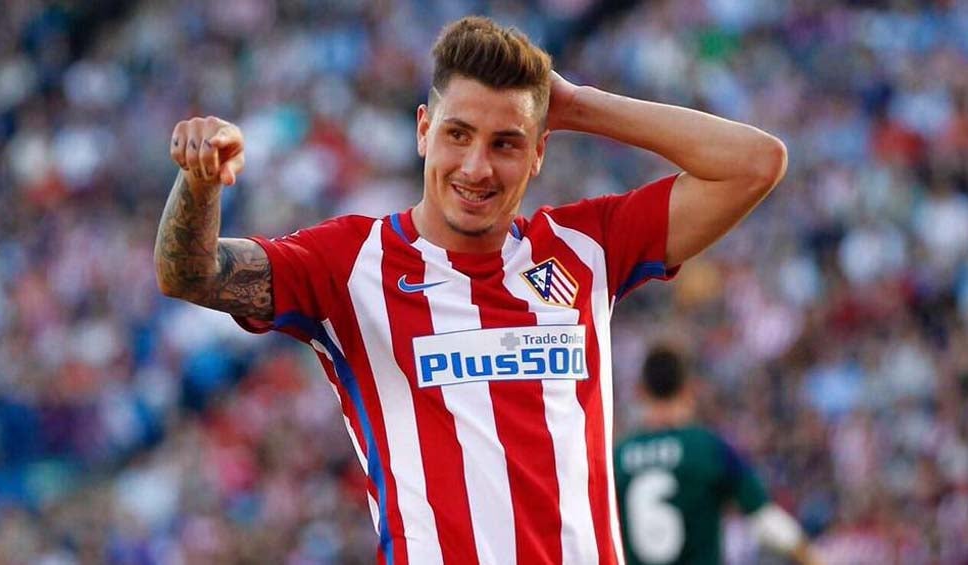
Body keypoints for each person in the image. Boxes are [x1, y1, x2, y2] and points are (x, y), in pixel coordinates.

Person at [155, 15, 786, 565]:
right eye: (458, 134)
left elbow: (756, 164)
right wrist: (200, 181)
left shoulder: (585, 247)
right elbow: (190, 272)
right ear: (423, 130)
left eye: (506, 142)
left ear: (538, 153)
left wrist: (578, 105)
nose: (477, 167)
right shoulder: (349, 265)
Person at [615, 345, 821, 565]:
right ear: (688, 389)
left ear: (641, 391)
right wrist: (808, 555)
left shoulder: (617, 457)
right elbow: (764, 519)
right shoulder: (708, 447)